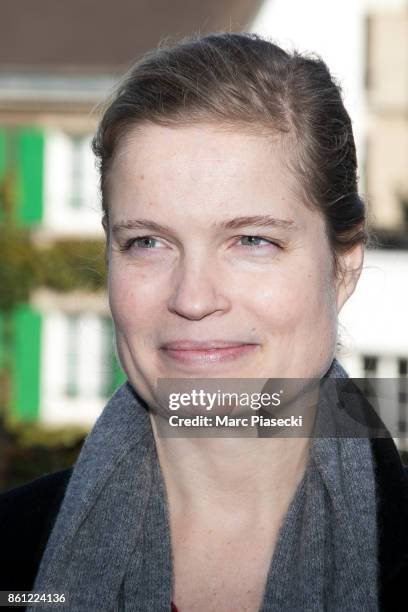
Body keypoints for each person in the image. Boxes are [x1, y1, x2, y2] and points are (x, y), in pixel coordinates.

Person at [1, 32, 408, 612]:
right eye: (147, 241)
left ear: (344, 268)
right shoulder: (14, 558)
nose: (193, 298)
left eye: (251, 240)